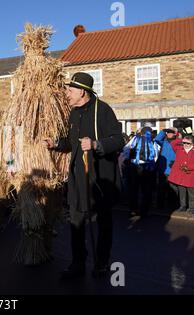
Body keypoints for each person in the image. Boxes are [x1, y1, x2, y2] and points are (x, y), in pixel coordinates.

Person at [43, 72, 124, 279]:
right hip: (78, 179)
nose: (67, 94)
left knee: (103, 224)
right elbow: (71, 143)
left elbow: (119, 139)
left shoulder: (103, 110)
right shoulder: (73, 113)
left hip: (100, 180)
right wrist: (55, 144)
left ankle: (102, 262)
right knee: (76, 223)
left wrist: (97, 144)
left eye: (70, 91)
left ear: (82, 91)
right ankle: (78, 263)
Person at [168, 134, 194, 213]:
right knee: (182, 193)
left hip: (191, 175)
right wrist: (181, 139)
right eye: (184, 143)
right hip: (180, 175)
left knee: (191, 194)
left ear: (192, 144)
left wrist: (189, 167)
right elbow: (173, 143)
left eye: (188, 143)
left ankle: (191, 208)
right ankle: (183, 206)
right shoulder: (179, 149)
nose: (185, 145)